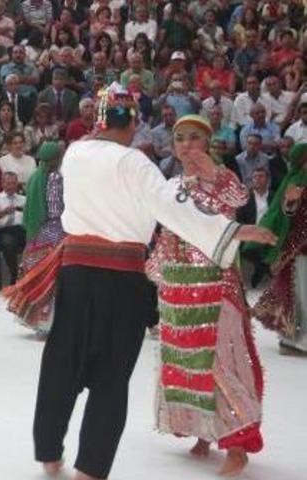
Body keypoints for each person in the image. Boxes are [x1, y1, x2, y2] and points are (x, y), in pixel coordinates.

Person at [26, 85, 276, 480]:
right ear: (132, 124)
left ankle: (49, 452)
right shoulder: (136, 164)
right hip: (123, 277)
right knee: (111, 376)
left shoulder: (75, 154)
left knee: (62, 360)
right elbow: (172, 210)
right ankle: (90, 469)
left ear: (99, 122)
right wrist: (236, 230)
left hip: (76, 271)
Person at [146, 115, 264, 476]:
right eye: (179, 138)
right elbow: (166, 232)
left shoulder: (221, 178)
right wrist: (157, 270)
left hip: (214, 281)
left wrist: (213, 172)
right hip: (177, 284)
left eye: (194, 137)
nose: (186, 144)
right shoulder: (172, 185)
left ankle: (238, 444)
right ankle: (203, 431)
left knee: (220, 360)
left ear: (208, 142)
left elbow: (239, 199)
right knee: (186, 362)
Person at [2, 141, 64, 335]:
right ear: (56, 158)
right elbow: (54, 210)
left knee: (37, 276)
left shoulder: (36, 175)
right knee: (52, 279)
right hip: (54, 233)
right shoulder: (54, 178)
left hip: (37, 234)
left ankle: (35, 320)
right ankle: (48, 323)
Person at [253, 142, 307, 356]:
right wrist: (291, 202)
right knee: (299, 295)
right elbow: (286, 212)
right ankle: (294, 340)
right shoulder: (295, 181)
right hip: (299, 249)